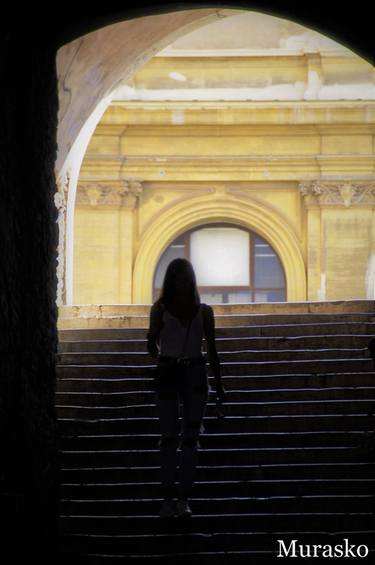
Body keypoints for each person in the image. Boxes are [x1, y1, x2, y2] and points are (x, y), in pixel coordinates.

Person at [146, 258, 226, 518]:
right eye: (178, 277)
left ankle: (182, 498)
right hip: (173, 370)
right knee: (170, 438)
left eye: (185, 277)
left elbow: (213, 351)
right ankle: (170, 498)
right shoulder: (160, 309)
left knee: (189, 439)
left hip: (192, 372)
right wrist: (153, 338)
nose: (182, 282)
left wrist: (221, 385)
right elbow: (151, 347)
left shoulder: (204, 312)